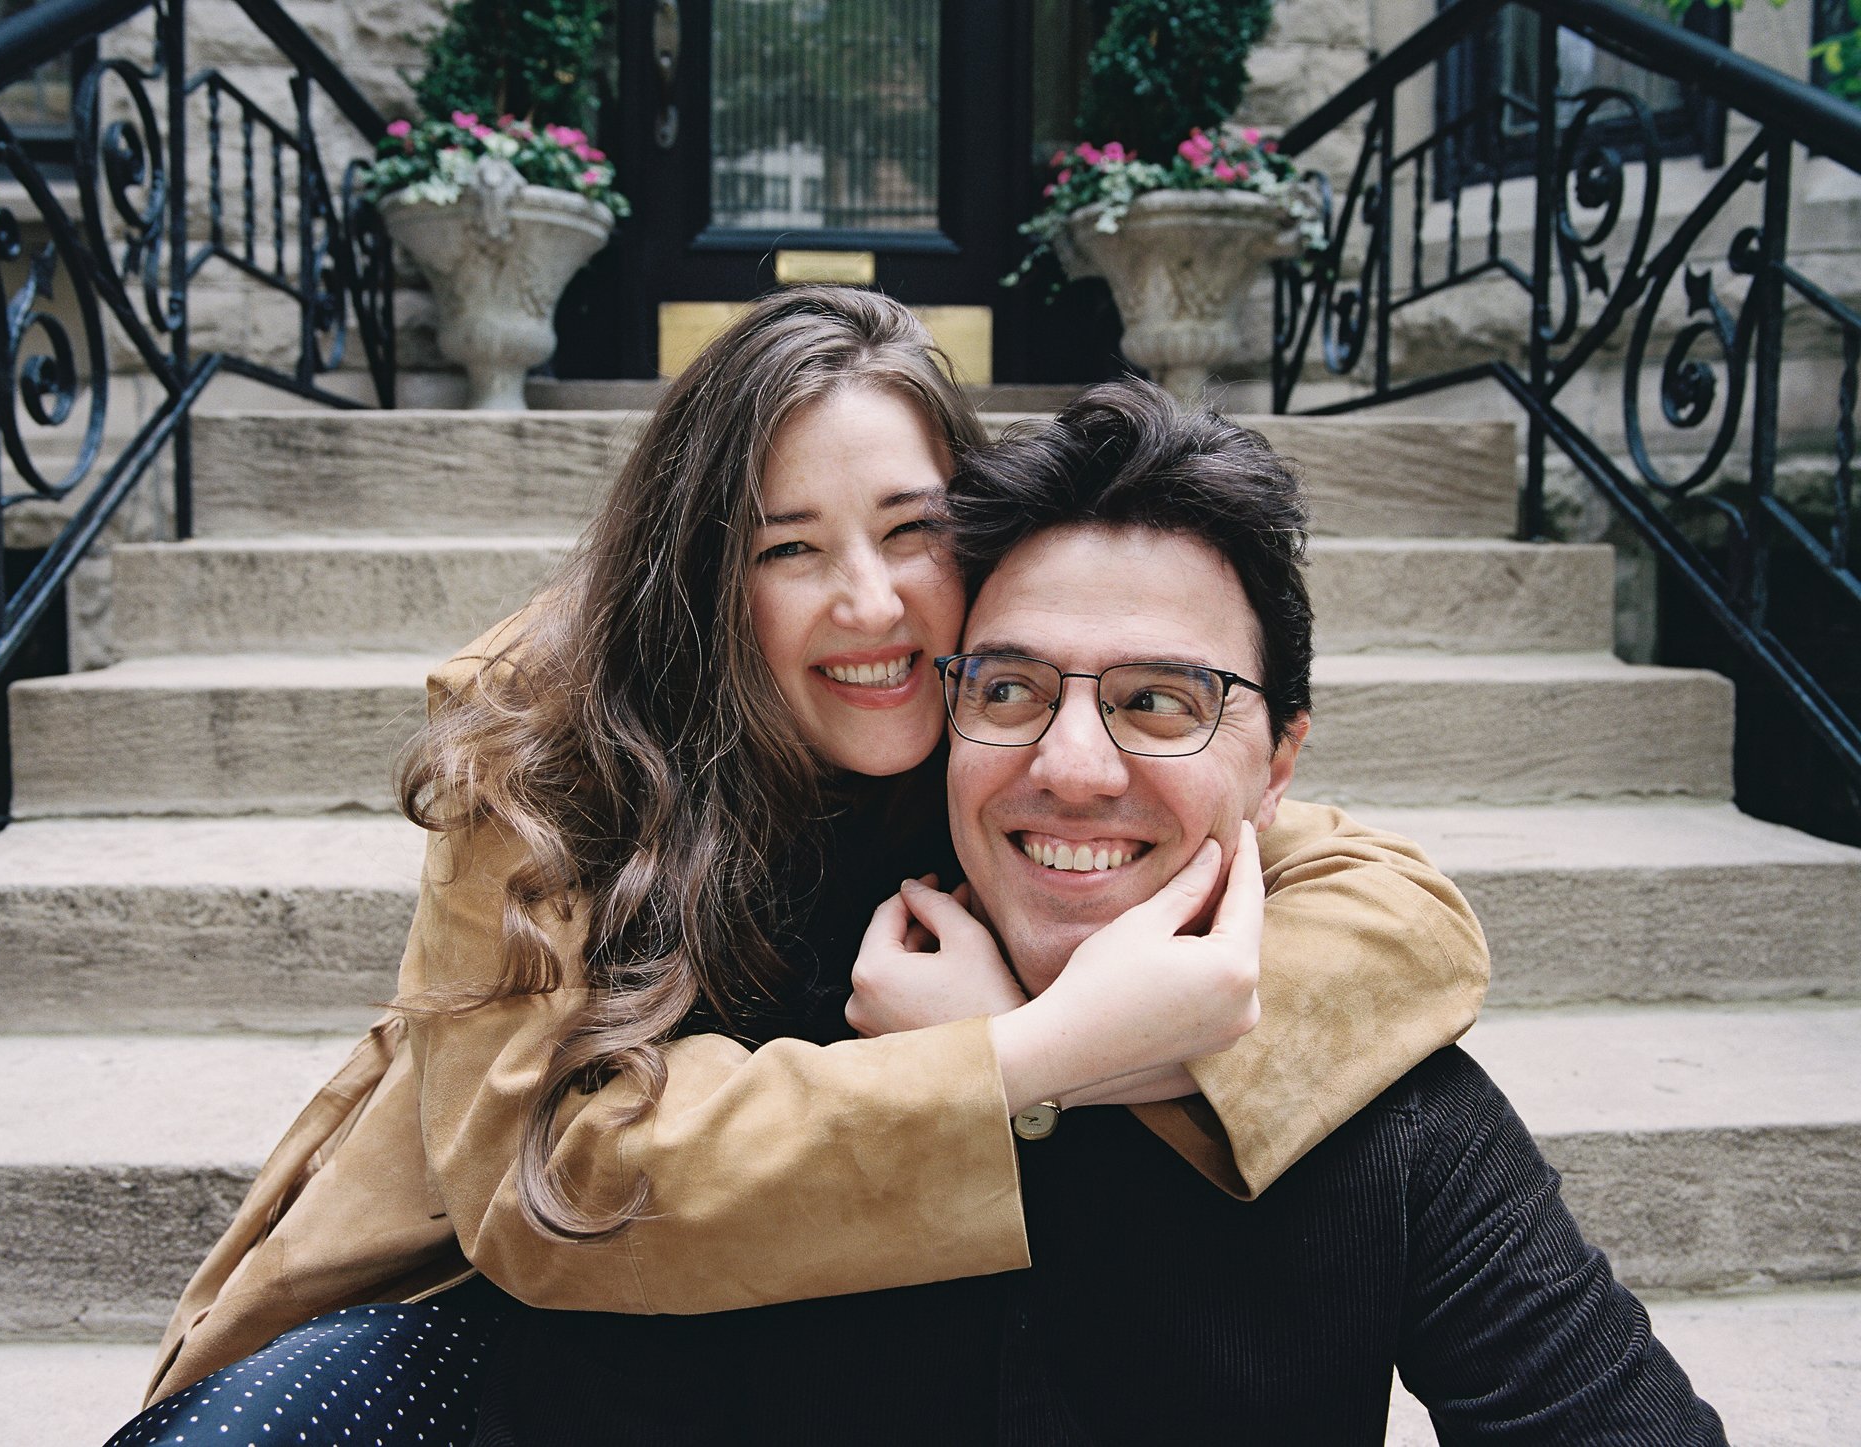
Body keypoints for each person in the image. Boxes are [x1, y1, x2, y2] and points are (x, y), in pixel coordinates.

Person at [109, 290, 1487, 1446]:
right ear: (710, 573)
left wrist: (1095, 1043)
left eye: (911, 529)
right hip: (519, 1317)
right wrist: (1025, 1052)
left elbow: (1396, 914)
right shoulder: (551, 758)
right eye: (789, 549)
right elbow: (548, 1192)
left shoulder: (1024, 730)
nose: (871, 603)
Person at [604, 377, 1714, 1444]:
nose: (1072, 765)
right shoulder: (748, 1054)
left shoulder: (1386, 1111)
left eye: (1158, 701)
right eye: (1009, 690)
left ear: (1278, 768)